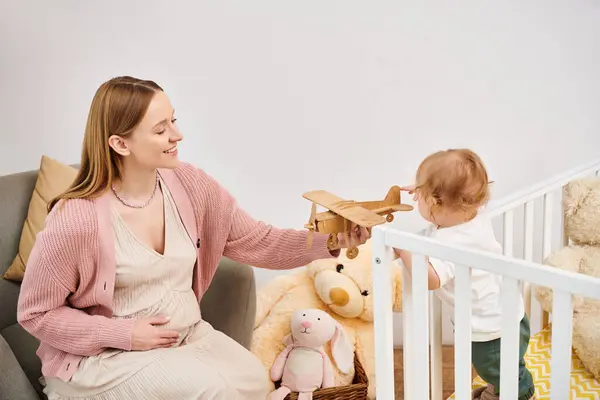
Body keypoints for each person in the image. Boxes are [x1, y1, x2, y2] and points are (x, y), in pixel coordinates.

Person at [17, 76, 370, 400]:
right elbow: (36, 313)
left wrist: (332, 243)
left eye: (173, 120)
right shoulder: (75, 219)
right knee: (214, 392)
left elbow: (258, 240)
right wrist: (123, 334)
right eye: (160, 130)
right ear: (120, 143)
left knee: (252, 379)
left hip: (187, 335)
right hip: (109, 357)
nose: (177, 135)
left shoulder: (189, 184)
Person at [394, 149, 535, 400]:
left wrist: (402, 249)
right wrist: (426, 190)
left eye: (421, 196)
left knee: (502, 373)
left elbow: (431, 279)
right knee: (507, 367)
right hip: (511, 315)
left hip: (490, 331)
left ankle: (521, 394)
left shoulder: (452, 244)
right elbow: (456, 196)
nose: (417, 200)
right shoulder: (474, 216)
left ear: (436, 202)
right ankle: (502, 388)